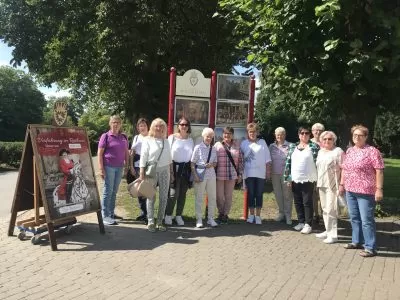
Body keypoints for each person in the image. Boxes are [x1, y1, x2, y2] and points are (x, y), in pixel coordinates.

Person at [340, 125, 384, 257]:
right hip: (350, 190)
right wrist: (342, 184)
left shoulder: (372, 151)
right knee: (354, 218)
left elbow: (379, 170)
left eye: (360, 135)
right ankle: (356, 241)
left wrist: (379, 189)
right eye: (355, 135)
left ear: (366, 137)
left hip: (366, 191)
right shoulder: (349, 151)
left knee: (366, 220)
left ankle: (370, 247)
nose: (357, 137)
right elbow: (345, 169)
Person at [139, 118, 172, 232]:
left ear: (164, 128)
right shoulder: (148, 140)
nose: (159, 128)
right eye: (156, 126)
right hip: (151, 171)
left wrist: (171, 172)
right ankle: (150, 221)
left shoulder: (166, 141)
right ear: (152, 127)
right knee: (151, 196)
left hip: (165, 170)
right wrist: (141, 171)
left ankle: (160, 221)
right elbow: (143, 156)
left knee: (163, 197)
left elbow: (169, 159)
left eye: (161, 126)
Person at [284, 126, 319, 234]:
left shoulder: (314, 146)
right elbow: (288, 163)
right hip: (295, 178)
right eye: (302, 133)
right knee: (298, 202)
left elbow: (318, 162)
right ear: (299, 135)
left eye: (307, 133)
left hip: (308, 178)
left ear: (310, 135)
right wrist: (287, 178)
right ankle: (301, 222)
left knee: (307, 202)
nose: (304, 135)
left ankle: (308, 224)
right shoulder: (292, 146)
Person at [98, 115, 130, 225]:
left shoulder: (123, 137)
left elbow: (126, 152)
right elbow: (100, 153)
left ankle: (111, 213)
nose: (115, 124)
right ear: (110, 123)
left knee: (114, 191)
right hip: (109, 167)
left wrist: (127, 166)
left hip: (120, 167)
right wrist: (101, 169)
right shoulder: (105, 136)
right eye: (113, 122)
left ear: (120, 124)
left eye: (117, 122)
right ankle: (105, 215)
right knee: (108, 190)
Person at [315, 131, 344, 244]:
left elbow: (344, 168)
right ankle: (327, 230)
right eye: (325, 139)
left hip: (333, 184)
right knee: (324, 208)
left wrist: (342, 184)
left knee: (332, 209)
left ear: (334, 140)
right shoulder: (321, 152)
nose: (327, 141)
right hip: (322, 183)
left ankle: (333, 235)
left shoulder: (338, 151)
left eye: (329, 139)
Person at [165, 117, 194, 226]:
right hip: (174, 168)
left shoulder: (190, 140)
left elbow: (192, 157)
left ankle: (178, 216)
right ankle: (168, 215)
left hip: (186, 170)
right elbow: (167, 155)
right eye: (182, 124)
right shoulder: (171, 138)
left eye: (186, 124)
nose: (184, 126)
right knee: (173, 194)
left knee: (182, 194)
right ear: (178, 126)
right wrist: (171, 172)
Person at [240, 123, 271, 225]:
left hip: (260, 174)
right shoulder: (244, 143)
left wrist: (268, 172)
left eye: (254, 132)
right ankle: (251, 215)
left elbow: (267, 160)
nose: (252, 133)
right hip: (248, 173)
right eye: (250, 132)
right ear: (247, 133)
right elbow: (240, 159)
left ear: (257, 132)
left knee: (259, 194)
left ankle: (258, 216)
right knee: (251, 194)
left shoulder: (262, 142)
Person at [215, 126, 243, 224]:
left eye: (229, 133)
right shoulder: (217, 145)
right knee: (219, 196)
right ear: (223, 134)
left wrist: (240, 174)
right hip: (219, 175)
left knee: (228, 196)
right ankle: (220, 212)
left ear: (232, 135)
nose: (227, 135)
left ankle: (225, 215)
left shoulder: (237, 146)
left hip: (232, 175)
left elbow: (240, 161)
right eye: (225, 133)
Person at [191, 127, 218, 228]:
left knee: (212, 197)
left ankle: (211, 218)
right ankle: (199, 219)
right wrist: (195, 175)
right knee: (199, 197)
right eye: (207, 136)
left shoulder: (214, 148)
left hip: (211, 175)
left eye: (211, 137)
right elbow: (192, 163)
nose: (209, 138)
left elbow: (215, 162)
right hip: (200, 175)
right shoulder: (197, 147)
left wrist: (212, 165)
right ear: (203, 136)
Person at [269, 127, 293, 225]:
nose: (279, 136)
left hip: (286, 174)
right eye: (278, 134)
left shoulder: (290, 145)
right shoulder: (271, 146)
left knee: (287, 195)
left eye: (282, 134)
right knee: (278, 194)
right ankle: (281, 213)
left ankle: (288, 215)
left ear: (285, 135)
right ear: (275, 135)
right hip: (274, 173)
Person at [129, 118, 150, 223]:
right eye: (140, 126)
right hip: (137, 166)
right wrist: (131, 166)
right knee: (140, 191)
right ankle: (143, 213)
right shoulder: (137, 137)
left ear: (147, 126)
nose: (142, 127)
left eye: (144, 125)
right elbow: (132, 153)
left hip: (148, 167)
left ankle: (148, 215)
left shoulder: (151, 136)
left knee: (147, 190)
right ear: (138, 128)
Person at [311, 122, 325, 224]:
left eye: (320, 130)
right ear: (312, 132)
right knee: (313, 195)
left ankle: (324, 214)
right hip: (312, 172)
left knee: (322, 194)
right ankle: (316, 215)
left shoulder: (327, 142)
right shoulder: (309, 142)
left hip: (324, 173)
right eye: (315, 130)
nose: (318, 132)